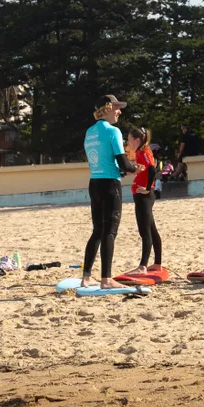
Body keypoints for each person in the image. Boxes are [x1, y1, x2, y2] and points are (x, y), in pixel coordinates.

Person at [82, 95, 142, 289]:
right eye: (116, 107)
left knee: (97, 230)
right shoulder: (113, 131)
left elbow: (103, 160)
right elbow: (124, 162)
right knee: (110, 231)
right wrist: (135, 168)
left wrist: (122, 169)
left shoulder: (89, 132)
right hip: (110, 186)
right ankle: (106, 279)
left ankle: (86, 276)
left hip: (94, 183)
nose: (119, 111)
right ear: (107, 108)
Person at [125, 128, 163, 275]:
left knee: (144, 230)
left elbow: (153, 170)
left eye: (129, 139)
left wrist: (147, 188)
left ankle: (143, 266)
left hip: (144, 196)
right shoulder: (142, 152)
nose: (128, 143)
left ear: (137, 140)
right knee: (151, 229)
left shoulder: (143, 151)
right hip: (142, 196)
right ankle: (158, 263)